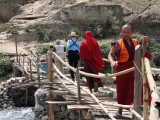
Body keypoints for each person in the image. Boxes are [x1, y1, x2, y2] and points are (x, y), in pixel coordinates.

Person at [108, 24, 151, 116]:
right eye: (124, 32)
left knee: (135, 89)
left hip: (134, 69)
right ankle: (120, 108)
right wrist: (112, 62)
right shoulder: (118, 43)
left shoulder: (135, 42)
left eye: (128, 32)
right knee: (121, 90)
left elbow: (142, 54)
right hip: (122, 70)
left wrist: (144, 45)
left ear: (132, 33)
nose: (126, 34)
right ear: (121, 32)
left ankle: (136, 108)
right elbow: (110, 54)